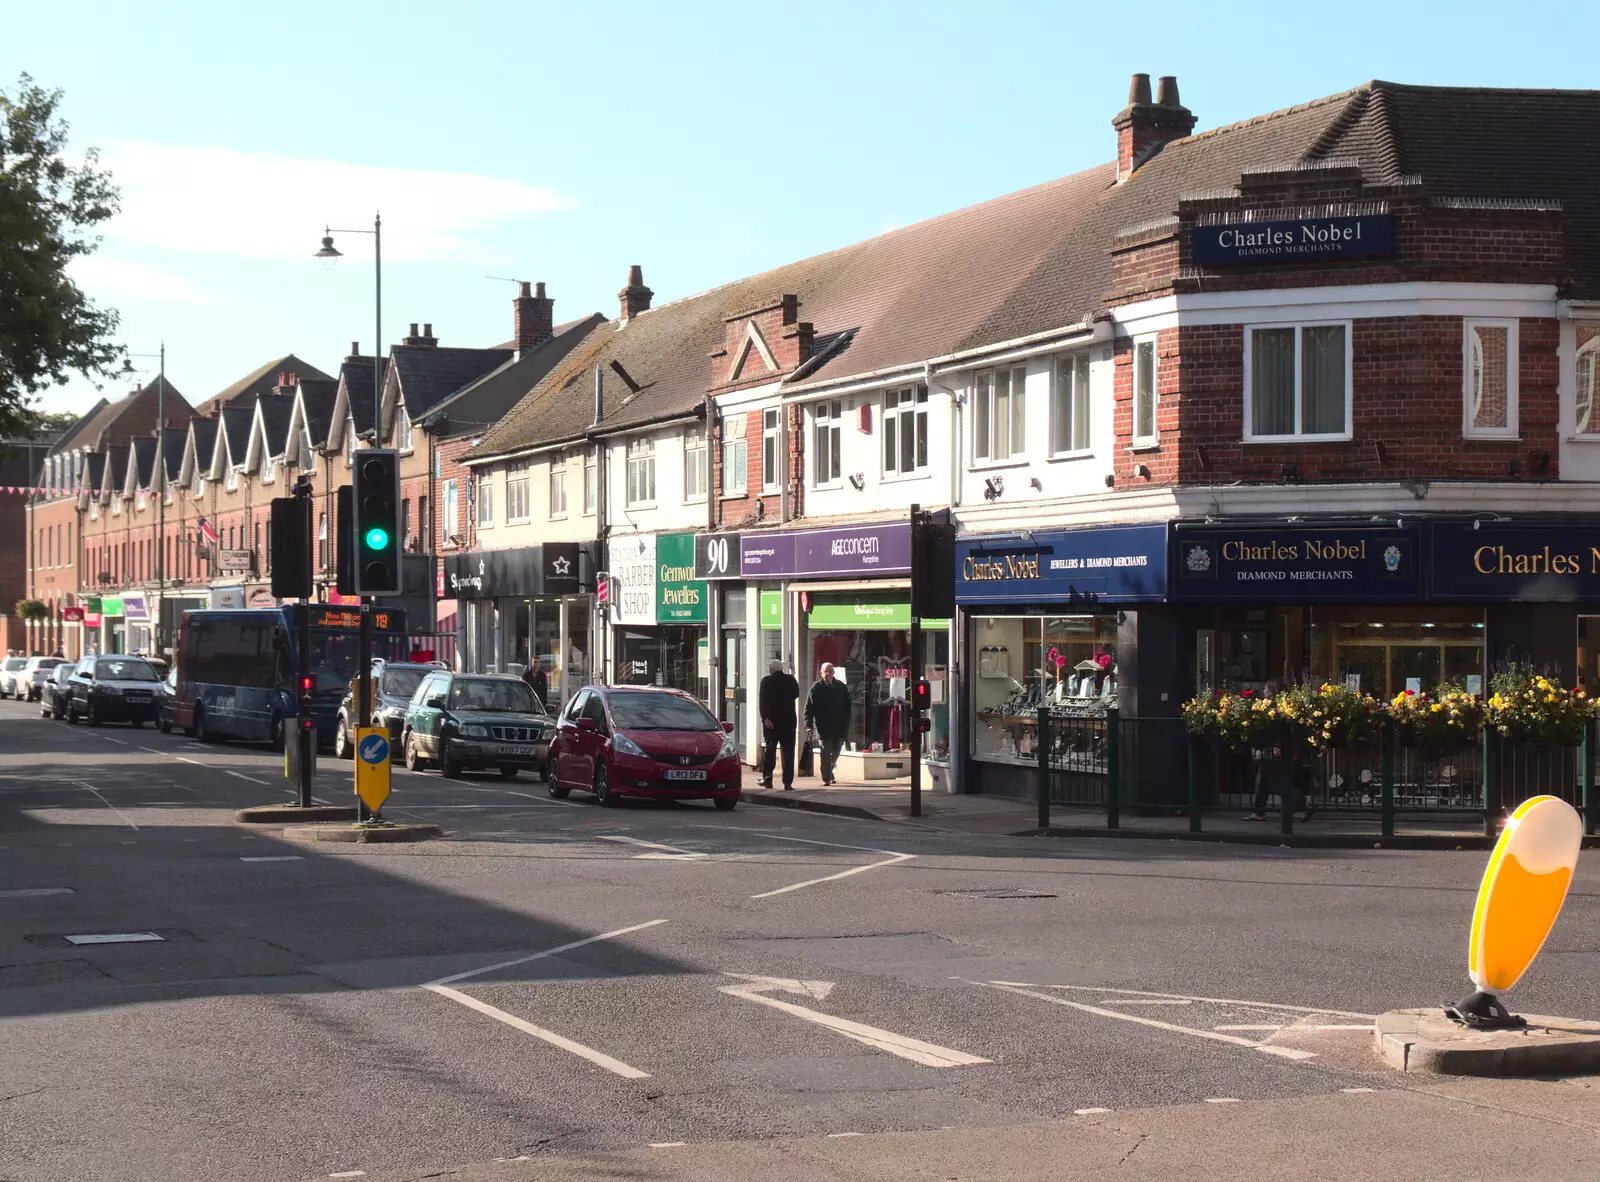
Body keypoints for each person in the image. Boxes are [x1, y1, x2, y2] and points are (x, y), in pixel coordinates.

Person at [803, 662, 852, 786]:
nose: (828, 674)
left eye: (830, 671)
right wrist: (808, 725)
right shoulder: (816, 688)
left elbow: (848, 706)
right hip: (823, 727)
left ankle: (829, 771)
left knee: (836, 751)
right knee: (825, 753)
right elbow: (808, 708)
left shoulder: (841, 687)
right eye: (825, 671)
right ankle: (826, 777)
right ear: (821, 673)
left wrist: (846, 721)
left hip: (839, 726)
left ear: (834, 673)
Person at [757, 659, 800, 790]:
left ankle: (767, 779)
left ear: (771, 671)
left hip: (772, 723)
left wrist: (765, 718)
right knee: (788, 752)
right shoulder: (791, 680)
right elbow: (796, 694)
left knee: (770, 751)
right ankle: (787, 782)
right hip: (788, 722)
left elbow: (762, 702)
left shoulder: (766, 681)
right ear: (782, 669)